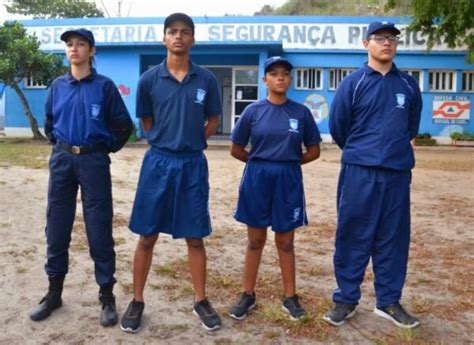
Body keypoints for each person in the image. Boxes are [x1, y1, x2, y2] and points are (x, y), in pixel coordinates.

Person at [120, 13, 222, 333]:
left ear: (193, 39)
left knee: (195, 236)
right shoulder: (149, 80)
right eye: (172, 32)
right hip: (158, 162)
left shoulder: (206, 80)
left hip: (192, 164)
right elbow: (146, 122)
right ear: (164, 38)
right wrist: (166, 140)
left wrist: (192, 139)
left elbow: (214, 119)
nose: (178, 37)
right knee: (147, 235)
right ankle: (137, 301)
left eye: (185, 32)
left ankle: (200, 300)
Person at [30, 28, 133, 327]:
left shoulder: (104, 86)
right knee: (57, 224)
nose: (74, 49)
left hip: (93, 161)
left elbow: (123, 126)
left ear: (92, 51)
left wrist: (103, 148)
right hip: (62, 160)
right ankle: (54, 293)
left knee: (99, 227)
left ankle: (106, 297)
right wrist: (62, 147)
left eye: (81, 44)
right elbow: (50, 122)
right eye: (70, 45)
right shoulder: (57, 86)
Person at [323, 21, 422, 329]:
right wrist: (363, 153)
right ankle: (346, 299)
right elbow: (339, 128)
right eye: (380, 38)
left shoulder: (407, 85)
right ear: (366, 43)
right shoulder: (352, 83)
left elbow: (410, 128)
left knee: (393, 237)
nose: (387, 43)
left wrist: (390, 153)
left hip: (396, 174)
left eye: (392, 38)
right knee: (353, 234)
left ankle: (389, 301)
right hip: (359, 172)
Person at [228, 56, 321, 321]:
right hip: (257, 178)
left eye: (285, 74)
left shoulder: (300, 113)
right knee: (255, 240)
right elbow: (236, 148)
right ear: (265, 80)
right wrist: (259, 162)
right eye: (274, 74)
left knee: (286, 242)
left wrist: (288, 162)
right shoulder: (253, 111)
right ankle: (247, 294)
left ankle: (290, 297)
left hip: (288, 179)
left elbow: (314, 150)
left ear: (290, 80)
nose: (280, 77)